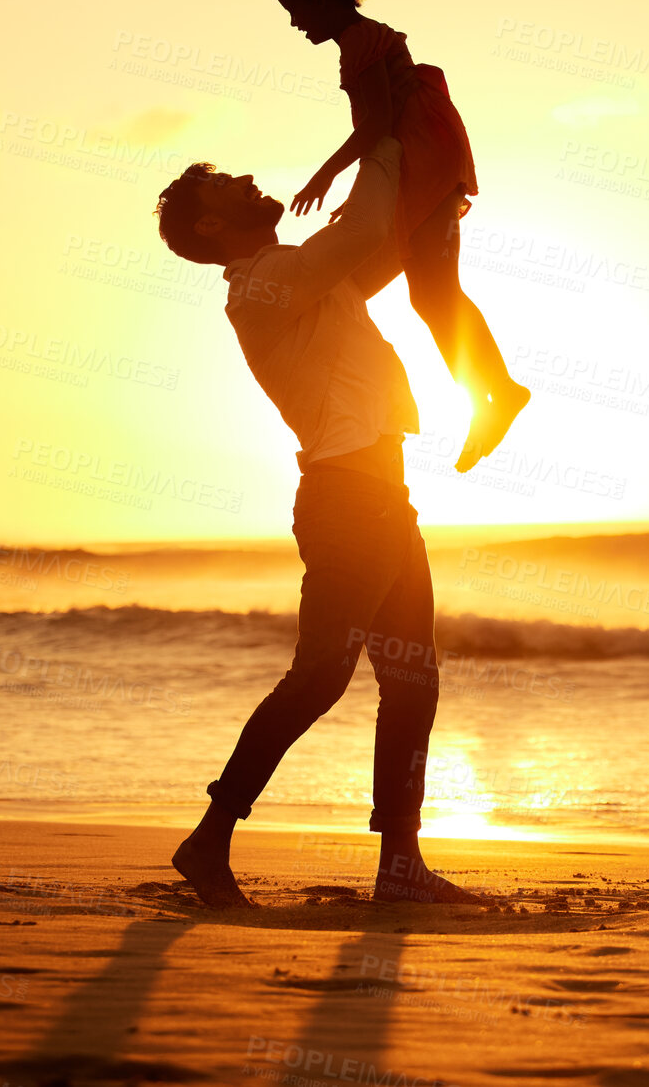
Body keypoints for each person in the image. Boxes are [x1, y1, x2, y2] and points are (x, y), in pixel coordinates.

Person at [152, 108, 482, 909]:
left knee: (411, 681)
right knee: (320, 678)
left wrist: (424, 182)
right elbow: (367, 227)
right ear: (211, 221)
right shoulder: (266, 287)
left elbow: (380, 248)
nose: (250, 182)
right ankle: (209, 838)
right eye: (231, 185)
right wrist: (388, 133)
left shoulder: (297, 275)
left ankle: (399, 868)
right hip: (345, 503)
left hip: (382, 499)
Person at [274, 0, 528, 474]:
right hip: (415, 157)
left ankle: (501, 393)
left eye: (295, 10)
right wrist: (367, 194)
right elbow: (382, 133)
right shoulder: (361, 40)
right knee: (429, 296)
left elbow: (380, 127)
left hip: (425, 157)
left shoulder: (359, 42)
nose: (294, 24)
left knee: (436, 293)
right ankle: (494, 395)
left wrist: (326, 174)